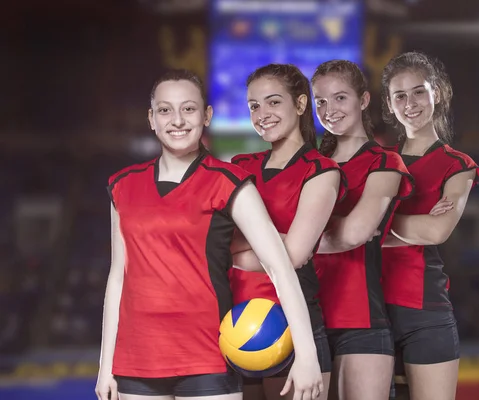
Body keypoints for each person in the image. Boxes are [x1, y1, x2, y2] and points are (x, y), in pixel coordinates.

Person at [95, 69, 324, 400]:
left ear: (206, 116)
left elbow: (281, 268)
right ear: (151, 119)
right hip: (135, 360)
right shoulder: (123, 185)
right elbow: (118, 277)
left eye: (188, 109)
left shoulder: (229, 182)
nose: (177, 120)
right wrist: (106, 367)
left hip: (207, 356)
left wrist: (307, 356)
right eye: (165, 110)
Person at [227, 64, 345, 400]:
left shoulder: (321, 171)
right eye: (253, 106)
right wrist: (273, 240)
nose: (262, 114)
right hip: (235, 326)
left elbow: (292, 257)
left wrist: (235, 248)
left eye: (273, 102)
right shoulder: (239, 166)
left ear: (300, 104)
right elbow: (212, 244)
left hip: (294, 325)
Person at [380, 52, 479, 400]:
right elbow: (346, 231)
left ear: (436, 93)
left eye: (418, 92)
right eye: (400, 95)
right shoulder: (376, 160)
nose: (410, 103)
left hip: (425, 309)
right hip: (368, 307)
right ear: (389, 104)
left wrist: (376, 225)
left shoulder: (458, 165)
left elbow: (437, 232)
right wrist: (411, 226)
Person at [310, 60, 414, 400]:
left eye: (340, 98)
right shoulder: (308, 164)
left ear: (364, 100)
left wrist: (291, 240)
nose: (329, 110)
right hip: (303, 317)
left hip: (361, 320)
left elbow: (356, 232)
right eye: (320, 102)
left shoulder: (385, 163)